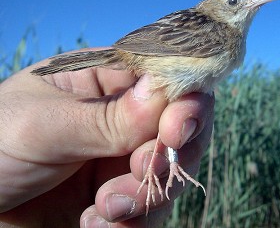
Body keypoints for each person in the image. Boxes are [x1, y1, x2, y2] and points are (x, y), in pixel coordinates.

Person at [0, 47, 214, 227]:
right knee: (165, 115)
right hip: (151, 54)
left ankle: (170, 163)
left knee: (167, 118)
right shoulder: (219, 33)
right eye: (233, 2)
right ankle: (169, 162)